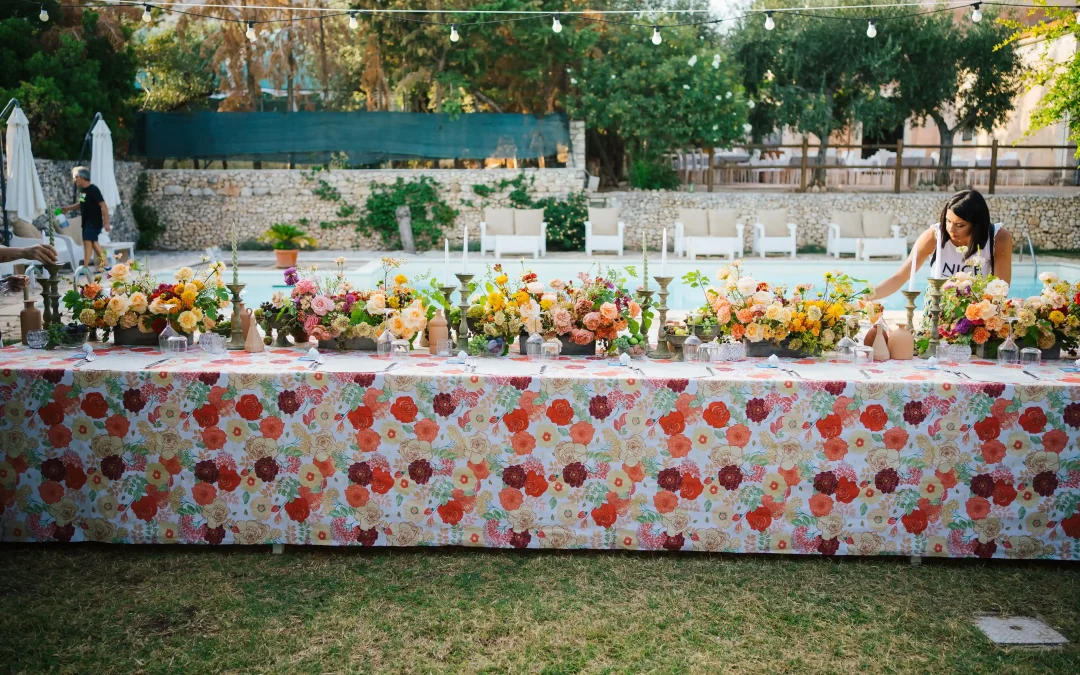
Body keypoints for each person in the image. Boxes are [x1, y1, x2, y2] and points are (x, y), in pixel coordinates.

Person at [873, 189, 1012, 300]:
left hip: (980, 312)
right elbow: (900, 276)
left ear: (977, 225)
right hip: (938, 311)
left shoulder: (998, 238)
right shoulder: (933, 237)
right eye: (948, 221)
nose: (950, 229)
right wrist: (867, 297)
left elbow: (1001, 289)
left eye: (960, 225)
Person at [62, 166, 110, 267]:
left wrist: (106, 223)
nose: (74, 180)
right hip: (86, 221)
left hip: (94, 221)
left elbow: (103, 206)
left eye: (75, 178)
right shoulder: (83, 191)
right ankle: (105, 265)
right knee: (93, 242)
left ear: (81, 177)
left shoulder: (93, 189)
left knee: (88, 241)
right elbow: (81, 204)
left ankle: (86, 266)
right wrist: (68, 208)